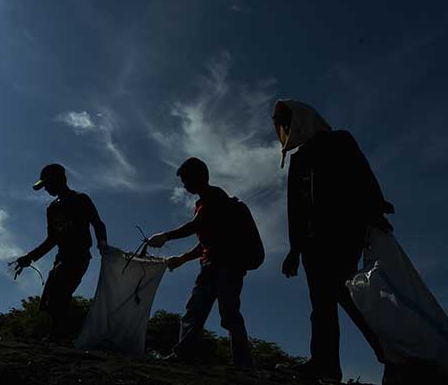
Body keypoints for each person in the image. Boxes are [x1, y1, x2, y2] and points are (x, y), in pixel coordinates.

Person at [273, 99, 392, 382]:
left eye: (287, 123)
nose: (286, 129)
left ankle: (389, 351)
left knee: (345, 294)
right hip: (312, 243)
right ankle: (326, 364)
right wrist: (294, 249)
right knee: (323, 303)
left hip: (342, 233)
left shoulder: (339, 141)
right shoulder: (299, 158)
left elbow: (362, 176)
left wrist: (375, 210)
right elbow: (296, 208)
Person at [147, 157, 256, 367]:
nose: (185, 185)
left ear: (199, 177)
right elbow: (205, 242)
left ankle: (243, 363)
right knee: (196, 310)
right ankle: (184, 354)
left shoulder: (215, 197)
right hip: (211, 265)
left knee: (229, 313)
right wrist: (182, 259)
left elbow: (196, 226)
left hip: (227, 266)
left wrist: (165, 236)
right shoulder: (202, 203)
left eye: (187, 180)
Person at [13, 163, 108, 342]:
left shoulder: (81, 199)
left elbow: (98, 223)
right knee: (48, 299)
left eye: (47, 184)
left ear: (59, 180)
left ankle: (60, 337)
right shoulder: (52, 209)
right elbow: (52, 240)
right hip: (61, 258)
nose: (46, 189)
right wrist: (30, 257)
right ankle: (56, 336)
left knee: (59, 293)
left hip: (79, 256)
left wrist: (102, 243)